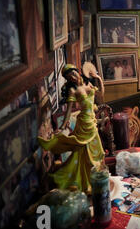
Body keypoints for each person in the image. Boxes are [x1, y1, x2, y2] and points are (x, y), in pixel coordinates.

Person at [37, 64, 106, 194]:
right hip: (84, 124)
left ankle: (89, 180)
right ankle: (78, 180)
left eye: (73, 74)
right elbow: (68, 111)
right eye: (69, 77)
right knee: (81, 152)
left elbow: (101, 94)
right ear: (68, 80)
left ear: (77, 72)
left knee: (92, 153)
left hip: (92, 123)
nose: (73, 77)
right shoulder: (73, 91)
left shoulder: (89, 84)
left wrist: (98, 78)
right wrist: (62, 127)